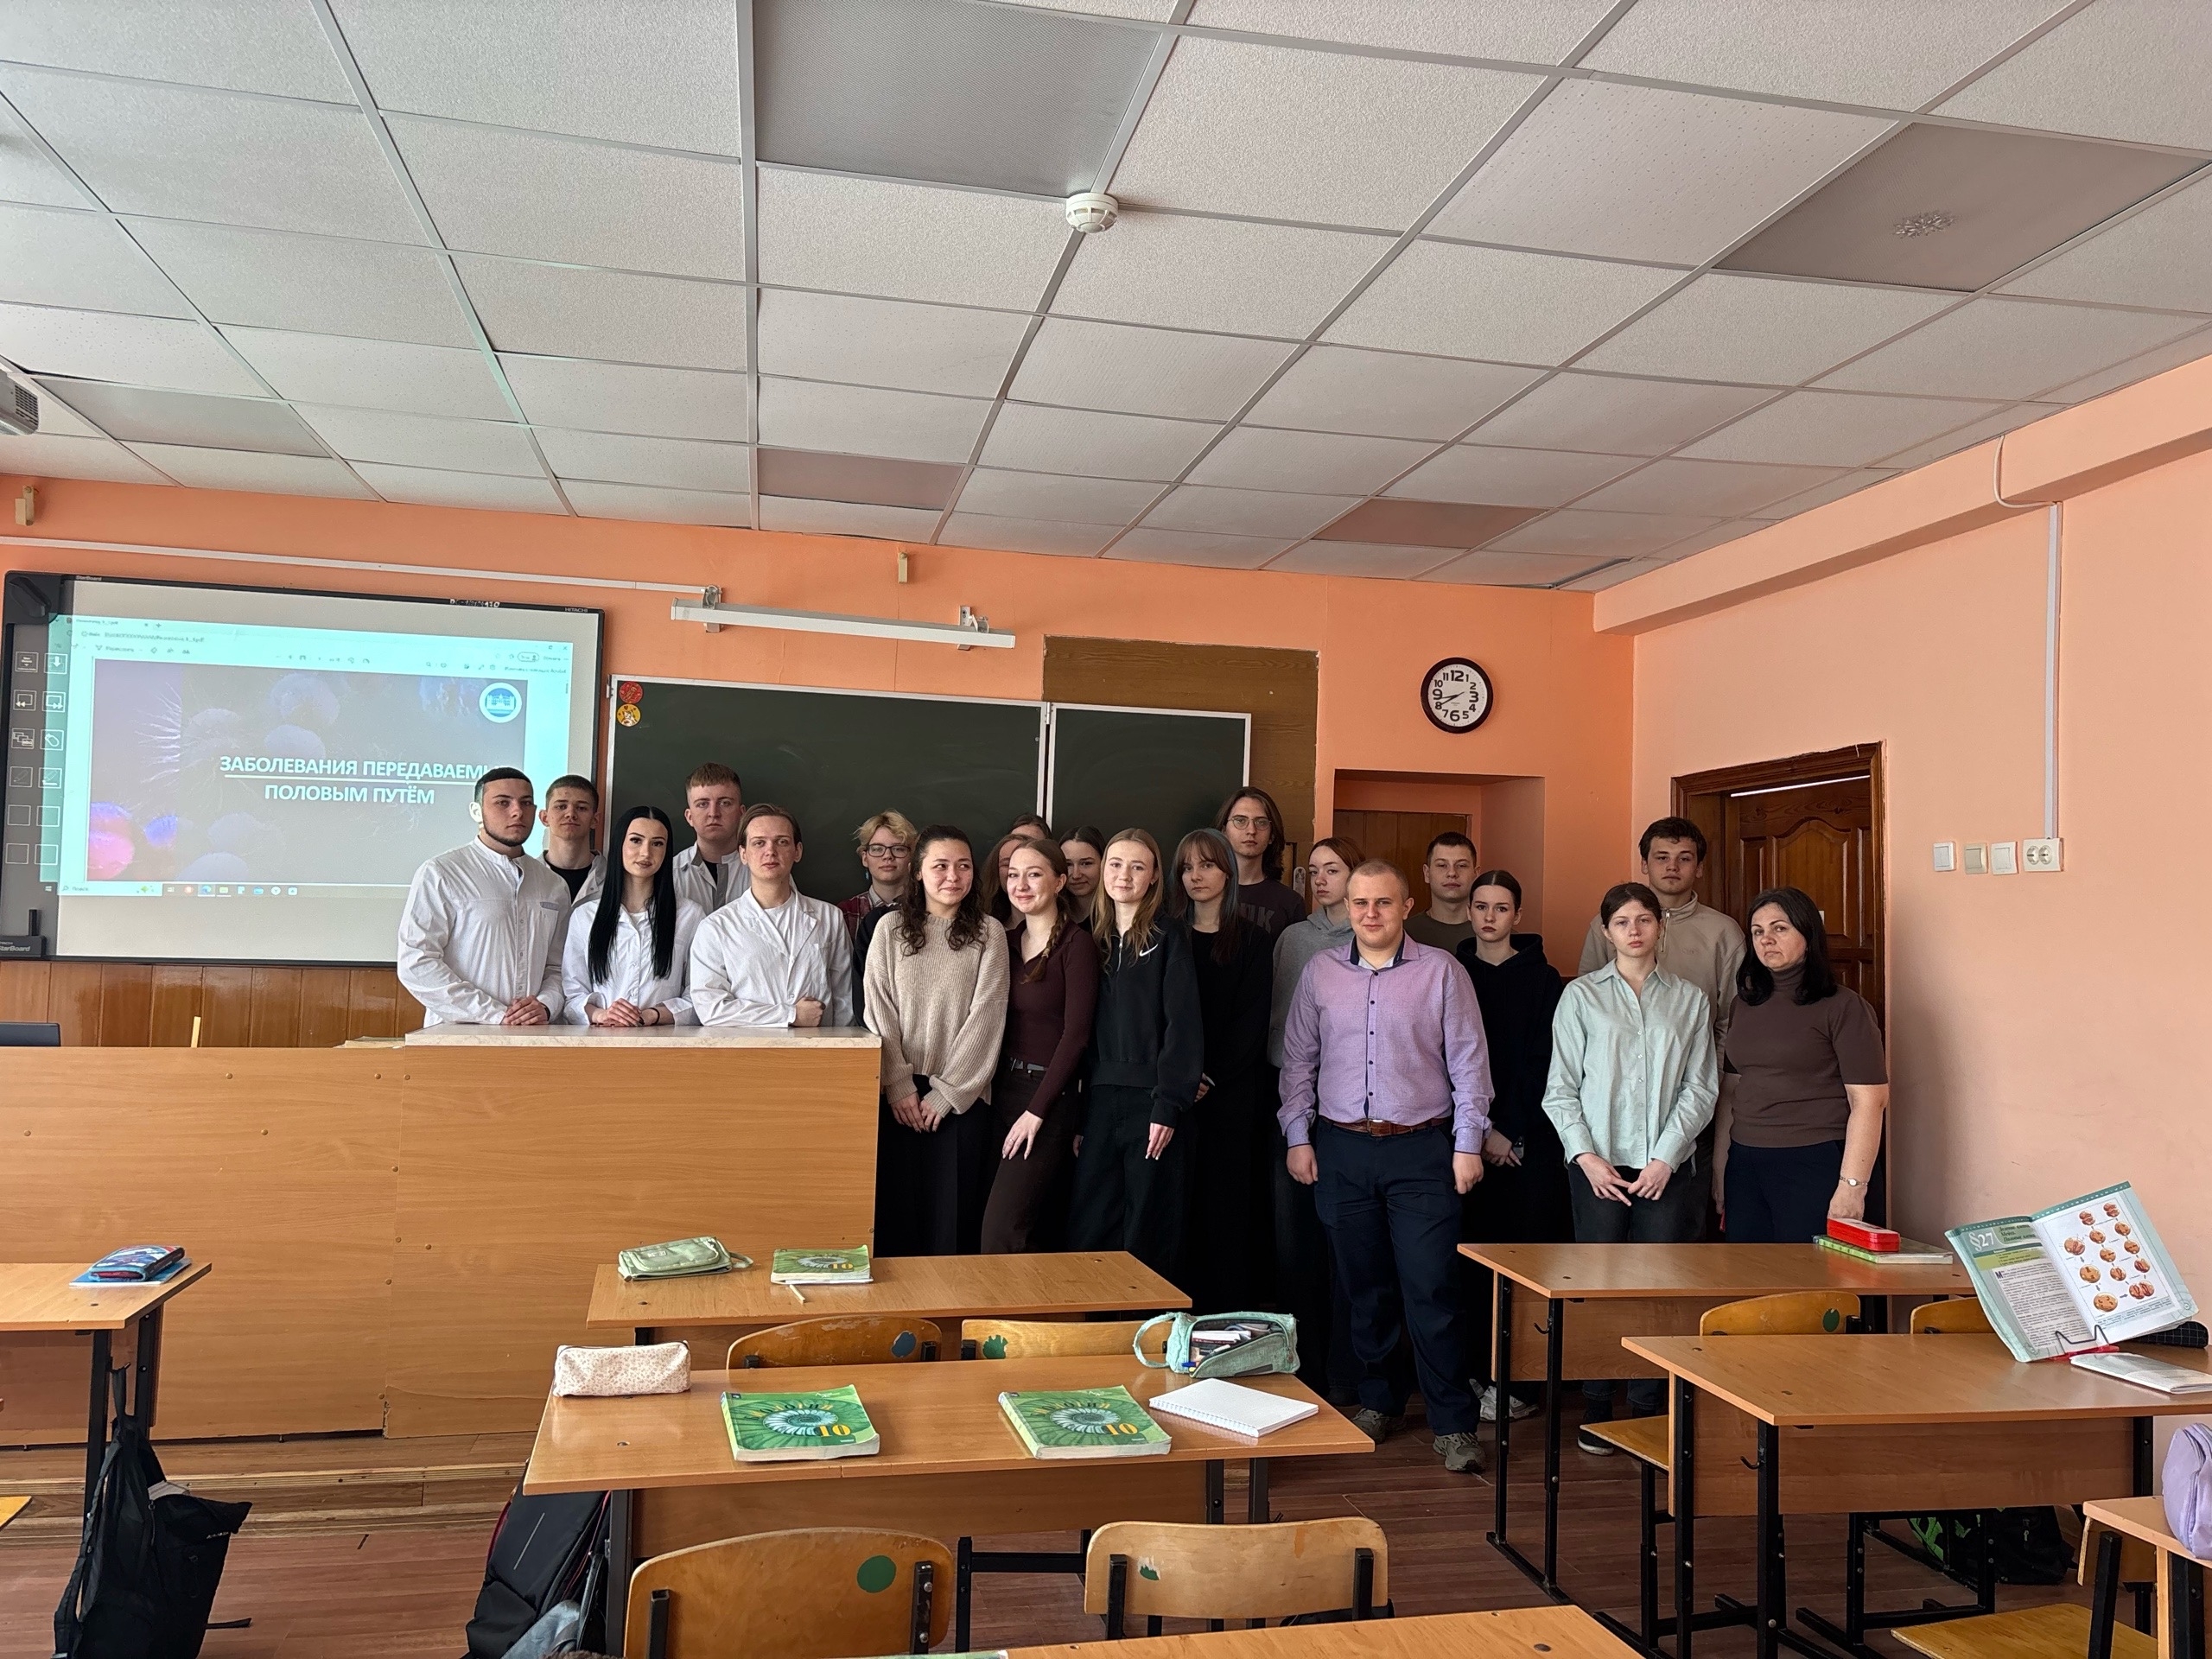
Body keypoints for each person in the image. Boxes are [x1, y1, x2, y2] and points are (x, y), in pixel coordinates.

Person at [1279, 860, 1492, 1475]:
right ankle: (1380, 1400)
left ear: (1406, 906)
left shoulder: (1442, 972)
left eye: (1382, 902)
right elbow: (1299, 1061)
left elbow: (1470, 1063)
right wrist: (1297, 1136)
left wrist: (1468, 1144)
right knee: (1364, 1287)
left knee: (1432, 1286)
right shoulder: (1321, 972)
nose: (1370, 913)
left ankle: (1453, 1423)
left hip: (1422, 1150)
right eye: (1359, 903)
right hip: (1341, 1148)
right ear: (1347, 908)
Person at [1546, 881, 1717, 1452]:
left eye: (1644, 919)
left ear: (1660, 927)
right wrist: (1586, 1158)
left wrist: (1667, 1156)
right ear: (1606, 932)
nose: (1634, 930)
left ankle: (1647, 1403)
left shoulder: (1690, 1000)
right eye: (1622, 922)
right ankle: (1598, 1401)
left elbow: (1700, 1088)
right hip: (1597, 1165)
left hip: (1666, 1168)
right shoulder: (1580, 997)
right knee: (1599, 1285)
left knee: (1656, 1286)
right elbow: (1561, 1088)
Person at [1578, 816, 1744, 1225]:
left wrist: (1703, 1083)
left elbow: (1730, 1020)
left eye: (1684, 858)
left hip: (1691, 1099)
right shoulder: (1606, 925)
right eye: (1661, 857)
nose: (1672, 866)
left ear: (1699, 867)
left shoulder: (1723, 932)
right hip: (1610, 1111)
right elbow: (1587, 1008)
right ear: (1644, 864)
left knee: (1677, 1225)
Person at [863, 826, 1011, 1255]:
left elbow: (987, 1017)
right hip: (899, 1100)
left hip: (962, 1099)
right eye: (941, 865)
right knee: (897, 1222)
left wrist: (946, 1094)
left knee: (953, 1224)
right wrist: (898, 1085)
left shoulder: (988, 933)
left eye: (963, 866)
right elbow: (878, 1010)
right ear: (918, 872)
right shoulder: (889, 929)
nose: (953, 876)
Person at [1454, 870, 1567, 1423]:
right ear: (1469, 911)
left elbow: (1545, 1063)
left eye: (1501, 908)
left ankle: (1519, 1382)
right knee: (1471, 1259)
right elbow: (1448, 1056)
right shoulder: (1451, 972)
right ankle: (1476, 1369)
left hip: (1528, 1144)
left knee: (1524, 1261)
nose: (1490, 917)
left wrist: (1509, 1131)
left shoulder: (1546, 981)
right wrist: (1479, 1131)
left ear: (1517, 915)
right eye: (1481, 906)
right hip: (1466, 1139)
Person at [1714, 887, 1887, 1244]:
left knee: (1812, 1274)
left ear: (1808, 935)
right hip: (1745, 1160)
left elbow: (1869, 1101)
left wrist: (1852, 1187)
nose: (1766, 940)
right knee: (1748, 1271)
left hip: (1815, 1159)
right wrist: (1720, 1168)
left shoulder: (1843, 1007)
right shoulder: (1743, 1004)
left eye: (1779, 928)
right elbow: (1731, 1090)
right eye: (1758, 931)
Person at [1068, 829, 1203, 1278]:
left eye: (1137, 866)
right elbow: (1081, 1035)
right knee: (1092, 1223)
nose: (1124, 875)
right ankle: (1096, 1318)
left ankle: (1148, 1320)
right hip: (1099, 1102)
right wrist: (1081, 1118)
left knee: (1148, 1226)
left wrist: (1168, 1104)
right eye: (1115, 864)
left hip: (1152, 1100)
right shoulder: (1088, 938)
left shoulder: (1170, 936)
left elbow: (1183, 1026)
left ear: (1154, 877)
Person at [1268, 835, 1364, 1402]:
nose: (1321, 879)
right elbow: (1281, 1025)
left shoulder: (1369, 937)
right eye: (1314, 871)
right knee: (1294, 1238)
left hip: (1351, 1106)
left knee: (1346, 1242)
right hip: (1292, 1098)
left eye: (1334, 869)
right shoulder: (1293, 939)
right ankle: (1299, 1366)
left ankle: (1346, 1371)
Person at [1168, 827, 1273, 1313]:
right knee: (1178, 1211)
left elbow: (1251, 1021)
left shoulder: (1253, 939)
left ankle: (1226, 1324)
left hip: (1229, 1096)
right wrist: (1182, 1077)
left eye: (1207, 865)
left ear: (1228, 872)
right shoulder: (1167, 934)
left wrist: (1208, 1076)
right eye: (1187, 867)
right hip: (1175, 1096)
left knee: (1226, 1212)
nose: (1196, 876)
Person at [982, 836, 1097, 1255]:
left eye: (1034, 874)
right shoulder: (1005, 942)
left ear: (1060, 881)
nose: (1021, 885)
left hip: (1047, 1099)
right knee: (1007, 1227)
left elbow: (1076, 1036)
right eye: (1014, 875)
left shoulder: (1076, 945)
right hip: (1000, 1093)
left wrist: (1037, 1112)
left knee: (1001, 1231)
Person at [397, 768, 567, 1027]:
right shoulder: (442, 872)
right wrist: (495, 1014)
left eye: (526, 803)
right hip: (458, 1035)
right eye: (503, 803)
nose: (517, 812)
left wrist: (545, 1005)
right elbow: (416, 961)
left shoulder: (553, 884)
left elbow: (558, 967)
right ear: (477, 811)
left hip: (533, 1034)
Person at [688, 804, 853, 1027]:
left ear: (797, 851)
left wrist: (839, 1045)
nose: (770, 851)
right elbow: (711, 1009)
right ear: (743, 854)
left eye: (781, 842)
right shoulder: (716, 927)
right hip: (748, 1048)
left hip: (819, 1047)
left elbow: (845, 1001)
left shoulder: (829, 917)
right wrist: (790, 1015)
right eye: (759, 843)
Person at [561, 804, 703, 1027]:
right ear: (620, 844)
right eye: (636, 840)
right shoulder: (585, 916)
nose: (646, 853)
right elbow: (573, 996)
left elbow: (699, 995)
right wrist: (602, 1015)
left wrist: (651, 1015)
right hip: (601, 1038)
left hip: (664, 1040)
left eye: (657, 843)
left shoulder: (689, 915)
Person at [1217, 788, 1306, 938]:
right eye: (1240, 820)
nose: (1251, 830)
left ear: (1272, 836)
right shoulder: (1205, 891)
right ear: (1224, 831)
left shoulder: (1291, 903)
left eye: (1261, 822)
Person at [671, 763, 747, 916]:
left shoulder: (766, 868)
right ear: (689, 817)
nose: (714, 813)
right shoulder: (669, 874)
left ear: (742, 814)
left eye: (724, 803)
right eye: (703, 804)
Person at [841, 810, 916, 937]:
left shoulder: (929, 908)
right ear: (865, 858)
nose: (887, 856)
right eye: (877, 849)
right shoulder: (846, 913)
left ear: (912, 858)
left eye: (898, 849)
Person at [1404, 830, 1478, 954]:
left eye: (1461, 865)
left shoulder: (1496, 934)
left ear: (1476, 874)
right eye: (1442, 865)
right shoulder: (1404, 934)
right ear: (1427, 873)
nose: (1452, 873)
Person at [538, 774, 603, 904]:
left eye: (581, 808)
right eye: (561, 806)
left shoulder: (616, 880)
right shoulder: (525, 877)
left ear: (595, 820)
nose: (571, 814)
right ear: (544, 817)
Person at [1058, 826, 1106, 921]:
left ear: (1103, 863)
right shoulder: (1052, 913)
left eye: (1086, 863)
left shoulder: (1119, 916)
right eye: (1068, 865)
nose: (1076, 875)